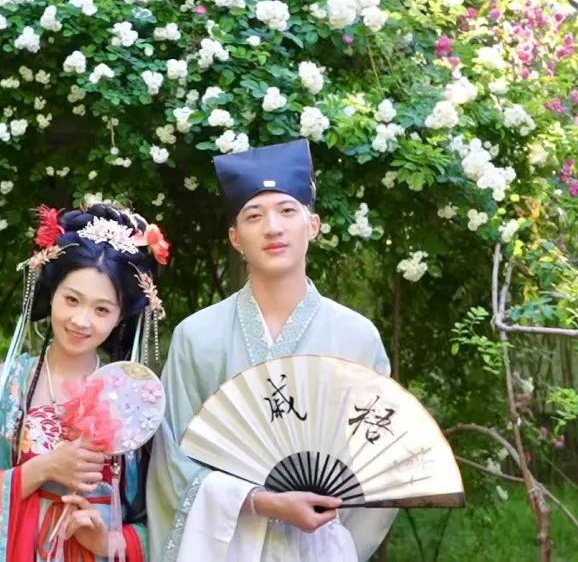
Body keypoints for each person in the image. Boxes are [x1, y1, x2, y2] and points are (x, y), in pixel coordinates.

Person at [147, 139, 398, 561]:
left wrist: (333, 538)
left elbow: (380, 464)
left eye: (286, 211)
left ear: (313, 225)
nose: (273, 228)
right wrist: (258, 502)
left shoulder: (357, 338)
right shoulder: (197, 336)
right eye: (254, 215)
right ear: (235, 237)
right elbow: (171, 464)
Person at [0, 203, 169, 562]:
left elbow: (165, 514)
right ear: (52, 294)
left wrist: (110, 542)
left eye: (102, 309)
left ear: (121, 317)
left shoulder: (136, 398)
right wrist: (41, 470)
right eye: (71, 300)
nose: (81, 321)